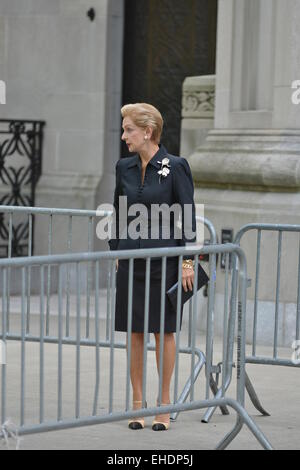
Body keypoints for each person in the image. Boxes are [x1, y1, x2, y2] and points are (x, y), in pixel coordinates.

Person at [108, 103, 197, 431]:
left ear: (148, 132)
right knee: (134, 332)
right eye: (123, 128)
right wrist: (116, 249)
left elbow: (187, 217)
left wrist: (188, 263)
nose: (123, 135)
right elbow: (118, 211)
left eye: (128, 129)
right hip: (131, 260)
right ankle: (136, 404)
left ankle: (164, 403)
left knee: (163, 332)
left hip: (166, 262)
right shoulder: (124, 167)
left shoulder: (176, 167)